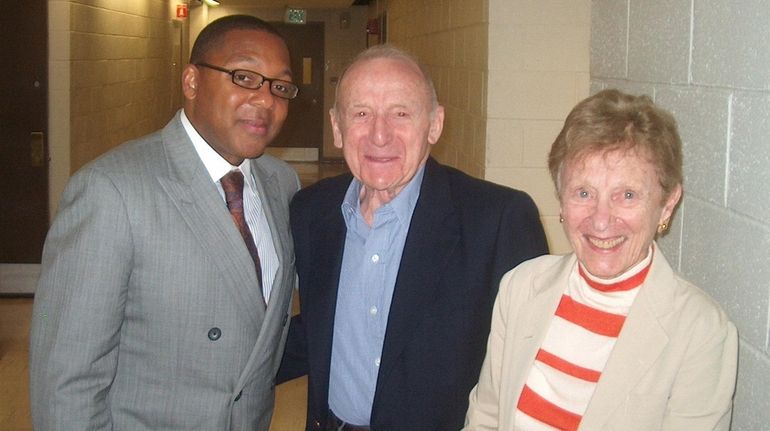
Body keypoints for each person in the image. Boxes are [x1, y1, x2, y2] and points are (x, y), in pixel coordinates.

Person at [29, 15, 300, 430]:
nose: (265, 100)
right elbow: (67, 379)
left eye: (279, 86)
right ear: (191, 82)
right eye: (244, 77)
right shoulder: (111, 191)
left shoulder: (281, 183)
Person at [277, 44, 549, 431]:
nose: (379, 134)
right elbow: (323, 328)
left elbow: (529, 364)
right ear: (337, 128)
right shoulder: (312, 212)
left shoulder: (497, 220)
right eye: (361, 114)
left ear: (434, 124)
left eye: (401, 113)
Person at [464, 89, 738, 430]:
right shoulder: (521, 286)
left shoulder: (700, 332)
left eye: (627, 195)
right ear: (561, 199)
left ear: (667, 204)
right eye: (583, 193)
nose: (601, 220)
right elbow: (486, 418)